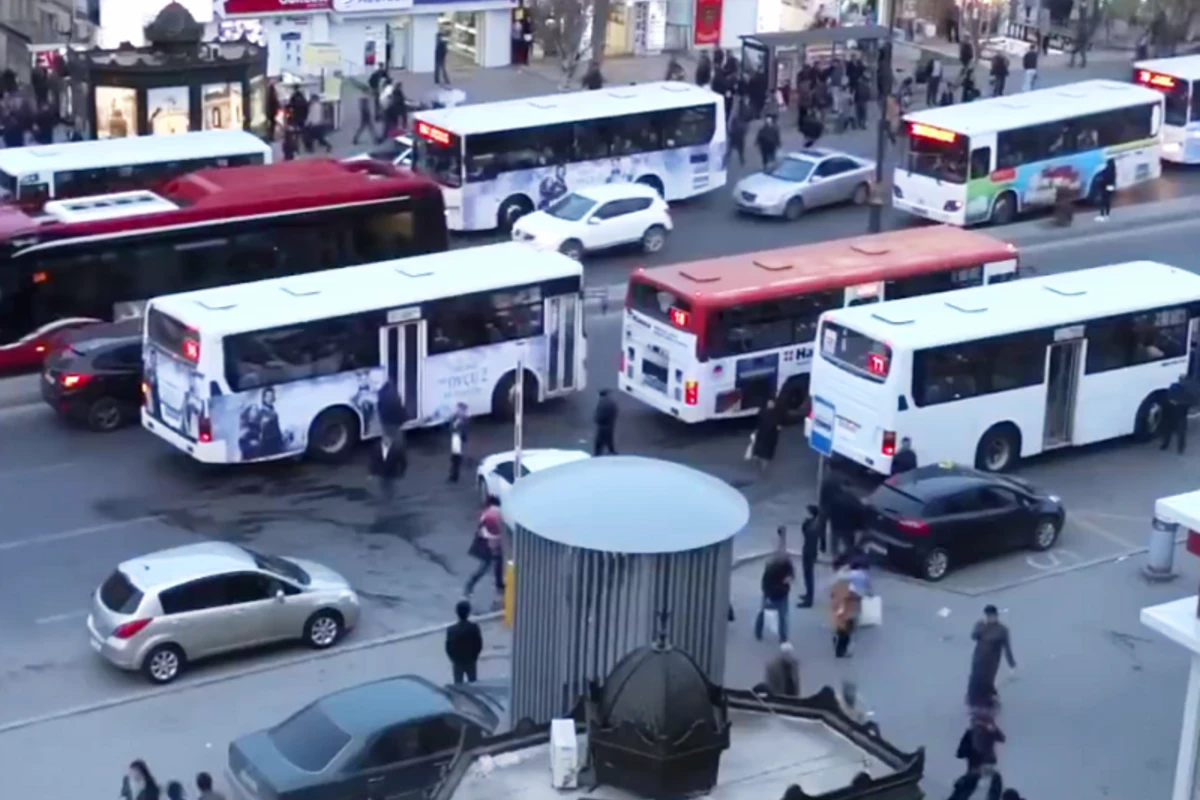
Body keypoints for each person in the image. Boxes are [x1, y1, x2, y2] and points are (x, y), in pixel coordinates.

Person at [967, 605, 1016, 709]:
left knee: (987, 680)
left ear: (996, 616)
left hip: (991, 661)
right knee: (975, 678)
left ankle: (987, 700)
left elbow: (1007, 647)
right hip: (978, 658)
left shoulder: (1002, 630)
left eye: (992, 616)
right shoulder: (980, 625)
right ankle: (973, 700)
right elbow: (973, 636)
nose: (990, 618)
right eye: (988, 616)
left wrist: (1011, 663)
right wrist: (983, 627)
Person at [755, 526, 794, 642]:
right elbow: (765, 583)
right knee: (768, 613)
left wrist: (790, 579)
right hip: (774, 593)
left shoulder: (784, 564)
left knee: (780, 616)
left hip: (780, 593)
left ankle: (782, 637)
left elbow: (792, 574)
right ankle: (760, 631)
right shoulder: (772, 568)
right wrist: (767, 594)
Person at [465, 496, 505, 600]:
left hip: (490, 543)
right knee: (485, 567)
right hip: (488, 545)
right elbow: (490, 532)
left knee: (497, 563)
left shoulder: (487, 513)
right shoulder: (490, 515)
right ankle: (470, 586)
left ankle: (499, 584)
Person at [445, 599, 484, 684]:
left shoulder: (451, 630)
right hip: (470, 660)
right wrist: (474, 657)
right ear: (468, 612)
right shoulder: (474, 627)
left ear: (456, 612)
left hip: (457, 662)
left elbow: (448, 648)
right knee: (473, 684)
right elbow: (479, 645)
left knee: (458, 684)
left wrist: (454, 659)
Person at [797, 504, 825, 607]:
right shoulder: (817, 523)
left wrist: (805, 523)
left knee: (808, 575)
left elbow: (806, 533)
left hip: (809, 551)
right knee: (807, 575)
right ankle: (808, 594)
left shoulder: (811, 525)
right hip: (811, 551)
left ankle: (809, 600)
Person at [1161, 376, 1193, 454]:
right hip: (1181, 414)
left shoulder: (1173, 387)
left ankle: (1165, 445)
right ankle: (1180, 449)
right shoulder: (1188, 390)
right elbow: (1189, 402)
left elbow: (1167, 398)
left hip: (1172, 413)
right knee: (1181, 433)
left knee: (1168, 431)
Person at [750, 399, 780, 472]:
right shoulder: (774, 414)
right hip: (767, 435)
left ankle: (758, 462)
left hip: (766, 434)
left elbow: (758, 422)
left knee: (761, 451)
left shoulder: (764, 412)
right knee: (765, 453)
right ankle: (762, 467)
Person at [448, 402, 469, 482]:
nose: (457, 411)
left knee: (457, 459)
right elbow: (450, 429)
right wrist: (455, 425)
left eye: (459, 409)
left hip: (460, 440)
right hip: (455, 439)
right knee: (454, 458)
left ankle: (454, 476)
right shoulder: (454, 418)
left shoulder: (465, 420)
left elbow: (465, 432)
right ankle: (453, 475)